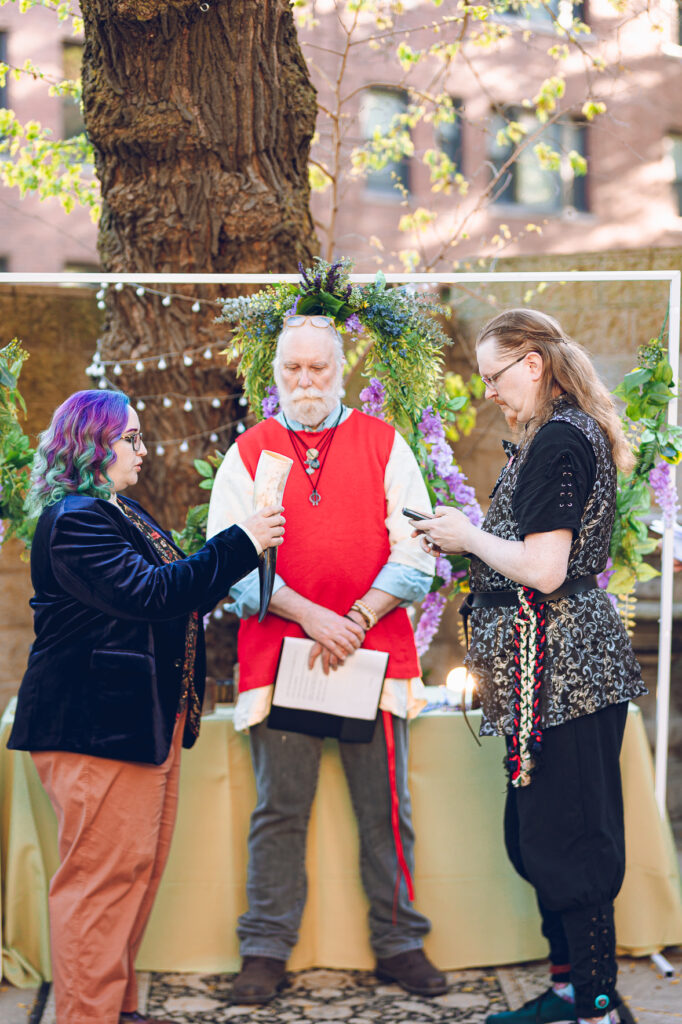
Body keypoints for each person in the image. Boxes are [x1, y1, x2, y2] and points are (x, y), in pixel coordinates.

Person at [8, 389, 285, 1024]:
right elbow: (152, 592)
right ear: (92, 445)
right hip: (94, 727)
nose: (143, 449)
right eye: (130, 438)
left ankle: (115, 1009)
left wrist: (240, 552)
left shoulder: (119, 510)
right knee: (99, 886)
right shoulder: (73, 519)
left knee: (134, 875)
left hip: (142, 722)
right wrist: (241, 541)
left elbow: (181, 592)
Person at [207, 314, 448, 1004]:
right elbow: (228, 557)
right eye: (293, 369)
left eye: (318, 368)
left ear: (341, 371)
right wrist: (312, 616)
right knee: (280, 810)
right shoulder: (248, 453)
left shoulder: (385, 444)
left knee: (386, 810)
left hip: (372, 655)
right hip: (282, 655)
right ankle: (264, 949)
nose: (306, 381)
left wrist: (358, 616)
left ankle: (400, 943)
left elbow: (417, 550)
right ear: (275, 374)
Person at [413, 309, 646, 1024]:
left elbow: (545, 570)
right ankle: (571, 988)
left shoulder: (559, 440)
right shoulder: (556, 434)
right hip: (546, 672)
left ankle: (595, 1002)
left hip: (565, 669)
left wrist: (468, 535)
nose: (488, 391)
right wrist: (462, 541)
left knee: (572, 839)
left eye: (495, 376)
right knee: (541, 835)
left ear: (534, 363)